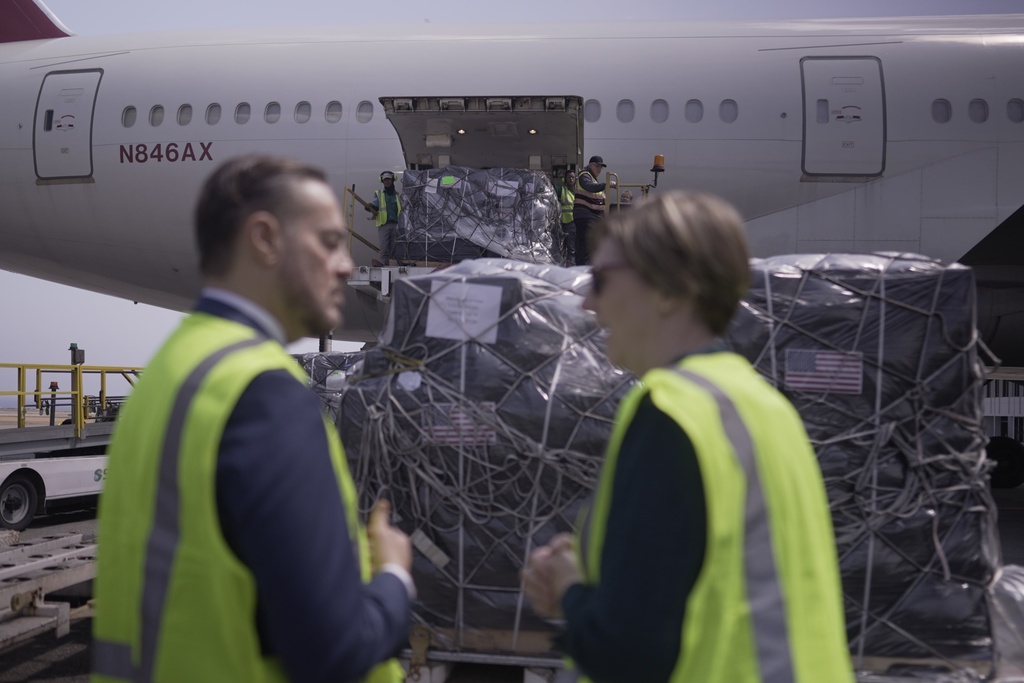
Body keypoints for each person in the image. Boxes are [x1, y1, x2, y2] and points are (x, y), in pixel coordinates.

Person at [92, 155, 413, 683]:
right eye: (330, 242)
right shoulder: (263, 395)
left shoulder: (168, 375)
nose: (347, 265)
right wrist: (395, 578)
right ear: (265, 239)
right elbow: (332, 652)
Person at [522, 191, 853, 683]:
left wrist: (570, 588)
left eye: (603, 279)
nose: (587, 301)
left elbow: (629, 649)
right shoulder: (763, 406)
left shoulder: (671, 412)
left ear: (669, 291)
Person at [573, 155, 615, 265]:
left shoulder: (593, 179)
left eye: (601, 167)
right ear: (591, 165)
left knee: (589, 244)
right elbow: (589, 187)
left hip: (591, 216)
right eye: (597, 166)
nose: (599, 169)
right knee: (586, 244)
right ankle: (583, 269)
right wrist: (606, 185)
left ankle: (587, 267)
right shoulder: (585, 175)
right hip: (585, 215)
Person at [367, 170, 402, 266]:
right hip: (384, 225)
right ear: (382, 181)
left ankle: (391, 266)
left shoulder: (397, 195)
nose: (387, 181)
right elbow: (376, 206)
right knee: (384, 248)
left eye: (389, 179)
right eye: (385, 180)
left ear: (393, 180)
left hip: (395, 225)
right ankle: (383, 266)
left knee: (394, 248)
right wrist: (370, 208)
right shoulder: (378, 193)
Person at [555, 170, 577, 266]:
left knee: (573, 246)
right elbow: (552, 188)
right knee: (567, 246)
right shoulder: (562, 190)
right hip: (566, 222)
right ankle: (567, 265)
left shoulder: (578, 191)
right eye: (569, 177)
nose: (571, 179)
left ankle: (571, 265)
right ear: (565, 179)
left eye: (572, 177)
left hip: (576, 222)